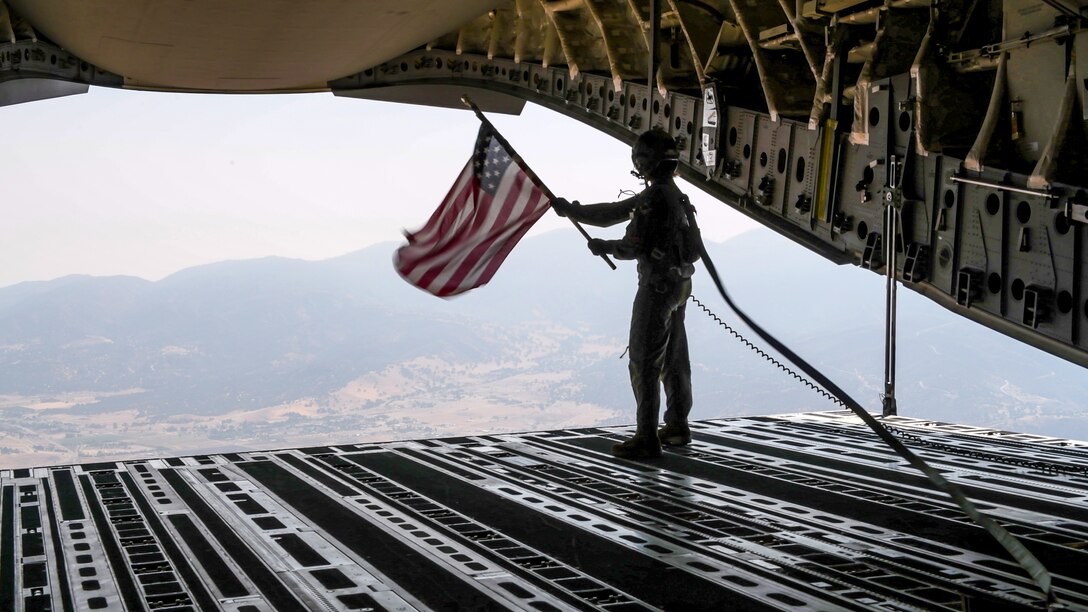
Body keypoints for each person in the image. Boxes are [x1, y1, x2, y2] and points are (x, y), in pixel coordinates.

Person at [552, 127, 701, 459]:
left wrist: (604, 247)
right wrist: (573, 210)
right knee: (675, 358)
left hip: (656, 289)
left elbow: (632, 243)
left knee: (644, 362)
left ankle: (647, 437)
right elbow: (614, 211)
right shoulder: (676, 196)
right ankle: (676, 425)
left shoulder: (654, 198)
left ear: (642, 162)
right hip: (680, 286)